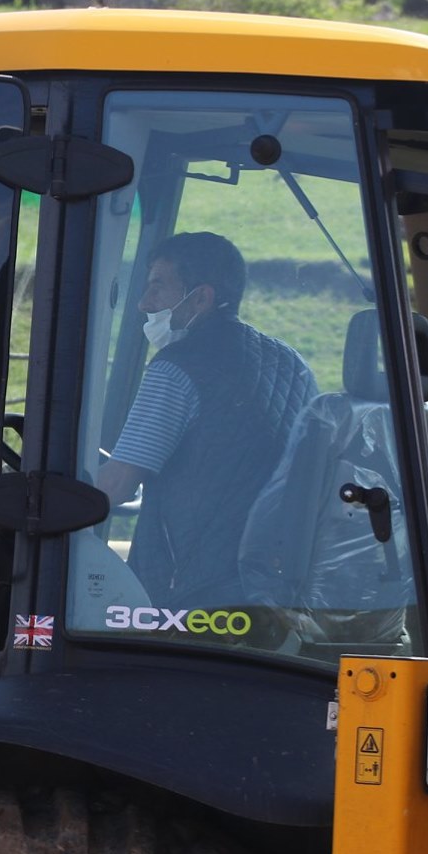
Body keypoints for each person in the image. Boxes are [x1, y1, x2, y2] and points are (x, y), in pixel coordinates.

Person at [95, 232, 317, 608]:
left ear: (201, 298)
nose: (144, 303)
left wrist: (43, 504)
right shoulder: (292, 364)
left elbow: (117, 485)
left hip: (189, 592)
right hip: (275, 589)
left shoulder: (178, 367)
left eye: (157, 286)